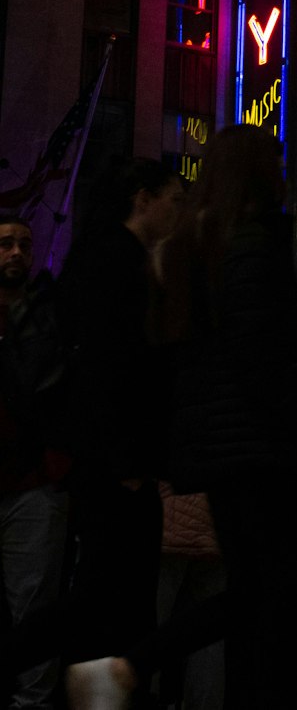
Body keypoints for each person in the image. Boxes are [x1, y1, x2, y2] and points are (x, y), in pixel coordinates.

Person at [151, 125, 297, 710]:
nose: (284, 172)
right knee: (273, 595)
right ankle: (134, 662)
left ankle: (137, 662)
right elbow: (268, 358)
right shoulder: (252, 246)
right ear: (259, 171)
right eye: (276, 161)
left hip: (225, 452)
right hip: (263, 450)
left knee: (255, 594)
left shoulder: (197, 247)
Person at [57, 159, 184, 704]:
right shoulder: (120, 265)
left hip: (107, 460)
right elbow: (116, 369)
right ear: (143, 199)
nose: (179, 211)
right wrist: (128, 460)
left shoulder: (99, 257)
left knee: (105, 594)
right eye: (173, 199)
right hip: (120, 466)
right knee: (117, 597)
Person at [0, 216, 70, 709]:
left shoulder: (44, 318)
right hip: (27, 476)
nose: (17, 253)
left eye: (24, 244)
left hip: (31, 481)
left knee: (32, 602)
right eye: (6, 244)